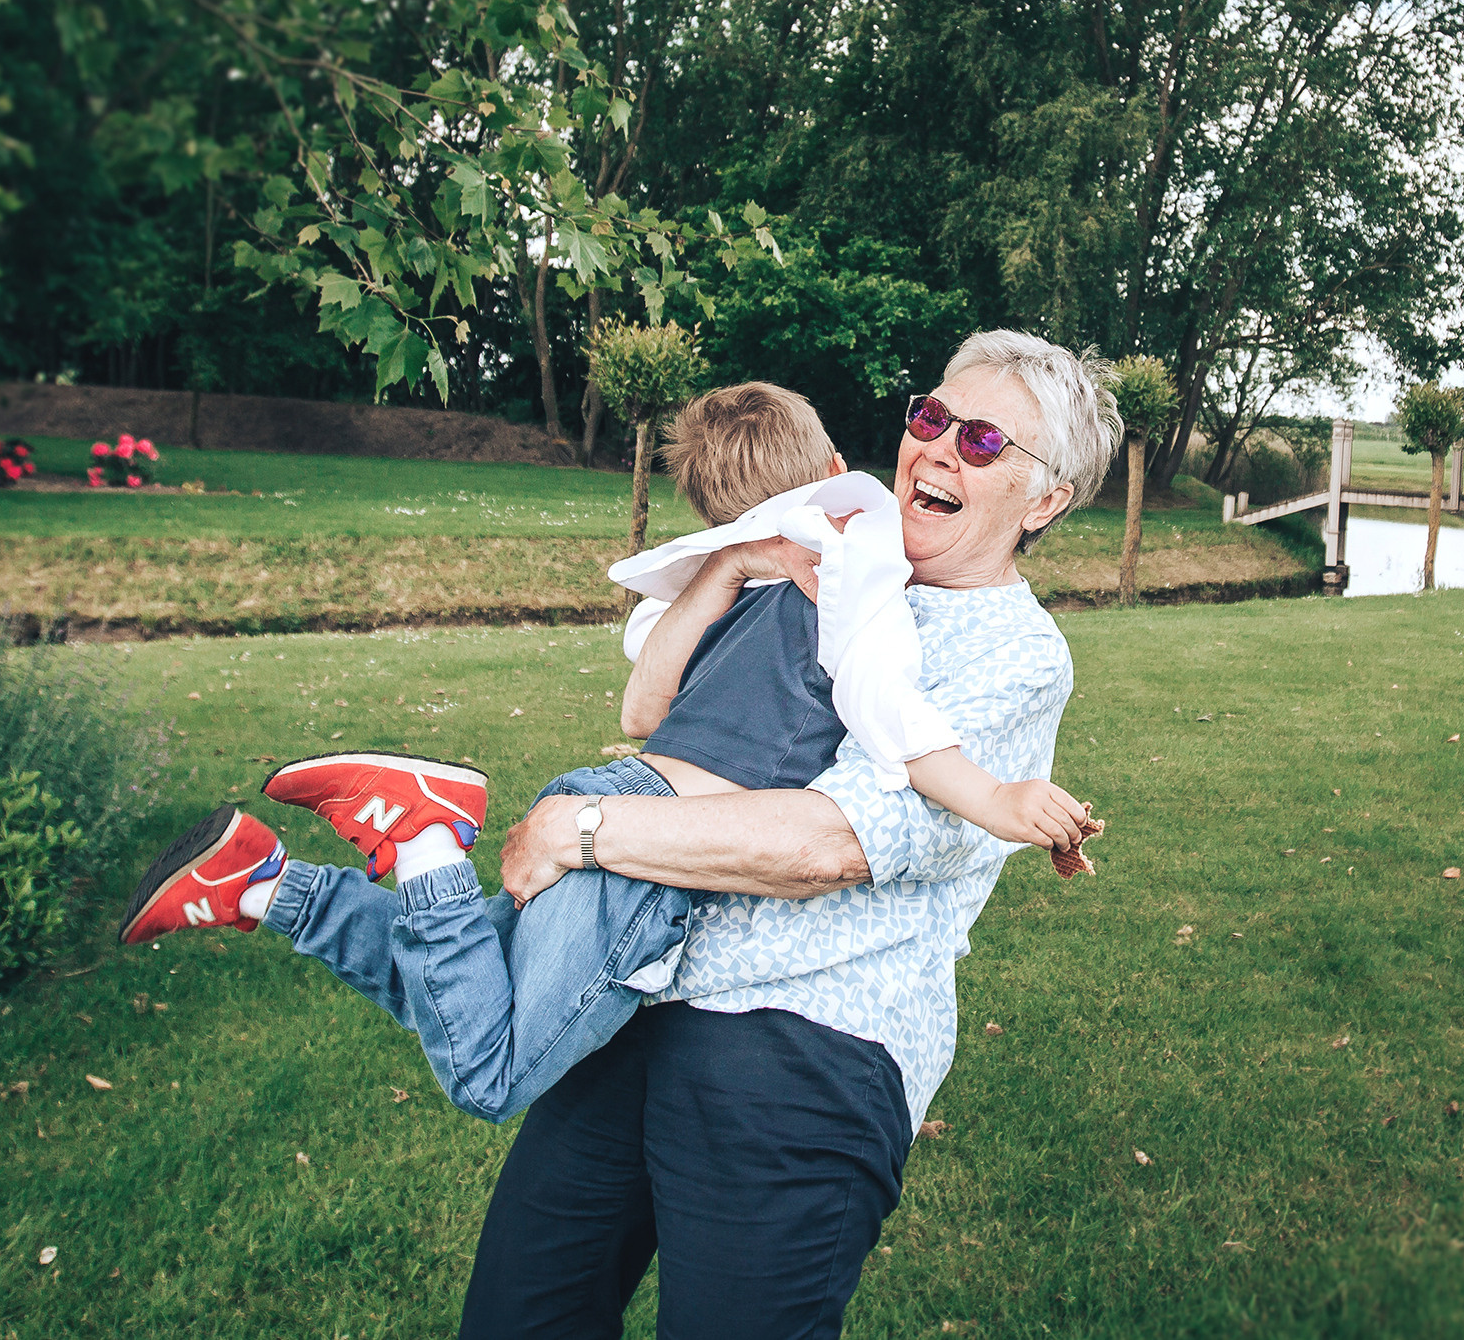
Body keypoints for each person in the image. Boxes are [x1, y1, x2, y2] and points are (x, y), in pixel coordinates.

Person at [117, 374, 1098, 1134]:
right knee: (489, 1072)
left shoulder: (737, 584)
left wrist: (722, 567)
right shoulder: (860, 589)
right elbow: (897, 721)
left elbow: (638, 708)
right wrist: (1000, 801)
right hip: (640, 856)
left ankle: (264, 887)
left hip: (614, 787)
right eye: (931, 421)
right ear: (839, 462)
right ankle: (418, 837)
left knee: (467, 983)